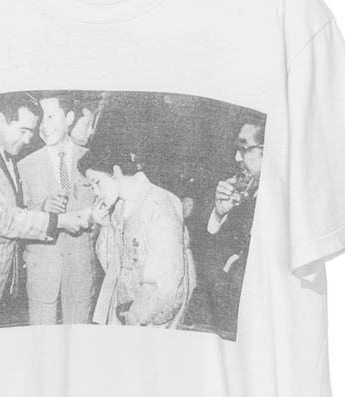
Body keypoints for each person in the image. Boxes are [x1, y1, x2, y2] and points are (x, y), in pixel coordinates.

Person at [0, 94, 87, 331]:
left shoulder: (0, 155)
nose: (28, 139)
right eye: (23, 130)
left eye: (30, 132)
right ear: (0, 120)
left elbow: (14, 207)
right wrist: (58, 220)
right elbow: (5, 220)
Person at [79, 144, 196, 328]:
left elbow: (165, 283)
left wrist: (137, 316)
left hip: (153, 319)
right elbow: (112, 269)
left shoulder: (159, 204)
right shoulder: (119, 208)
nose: (95, 192)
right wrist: (106, 226)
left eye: (97, 182)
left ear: (116, 171)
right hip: (127, 313)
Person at [18, 93, 98, 324]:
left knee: (78, 336)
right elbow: (17, 217)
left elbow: (104, 208)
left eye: (51, 117)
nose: (45, 126)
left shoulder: (91, 159)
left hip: (80, 268)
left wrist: (90, 218)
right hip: (42, 271)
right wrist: (42, 207)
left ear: (69, 118)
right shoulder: (25, 165)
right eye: (41, 119)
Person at [187, 120, 264, 336]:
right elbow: (209, 270)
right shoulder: (244, 198)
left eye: (244, 148)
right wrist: (219, 214)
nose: (237, 157)